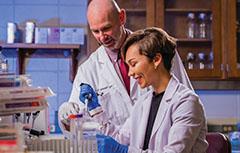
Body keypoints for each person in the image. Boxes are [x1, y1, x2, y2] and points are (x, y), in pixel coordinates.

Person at [58, 0, 193, 137]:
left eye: (106, 28)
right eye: (95, 31)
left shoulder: (159, 50)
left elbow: (185, 103)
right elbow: (78, 123)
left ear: (122, 17)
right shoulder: (88, 70)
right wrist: (67, 113)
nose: (102, 37)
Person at [80, 27, 208, 153]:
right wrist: (95, 110)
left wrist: (124, 151)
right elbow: (120, 139)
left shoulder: (186, 102)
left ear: (156, 59)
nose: (130, 73)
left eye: (133, 64)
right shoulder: (143, 102)